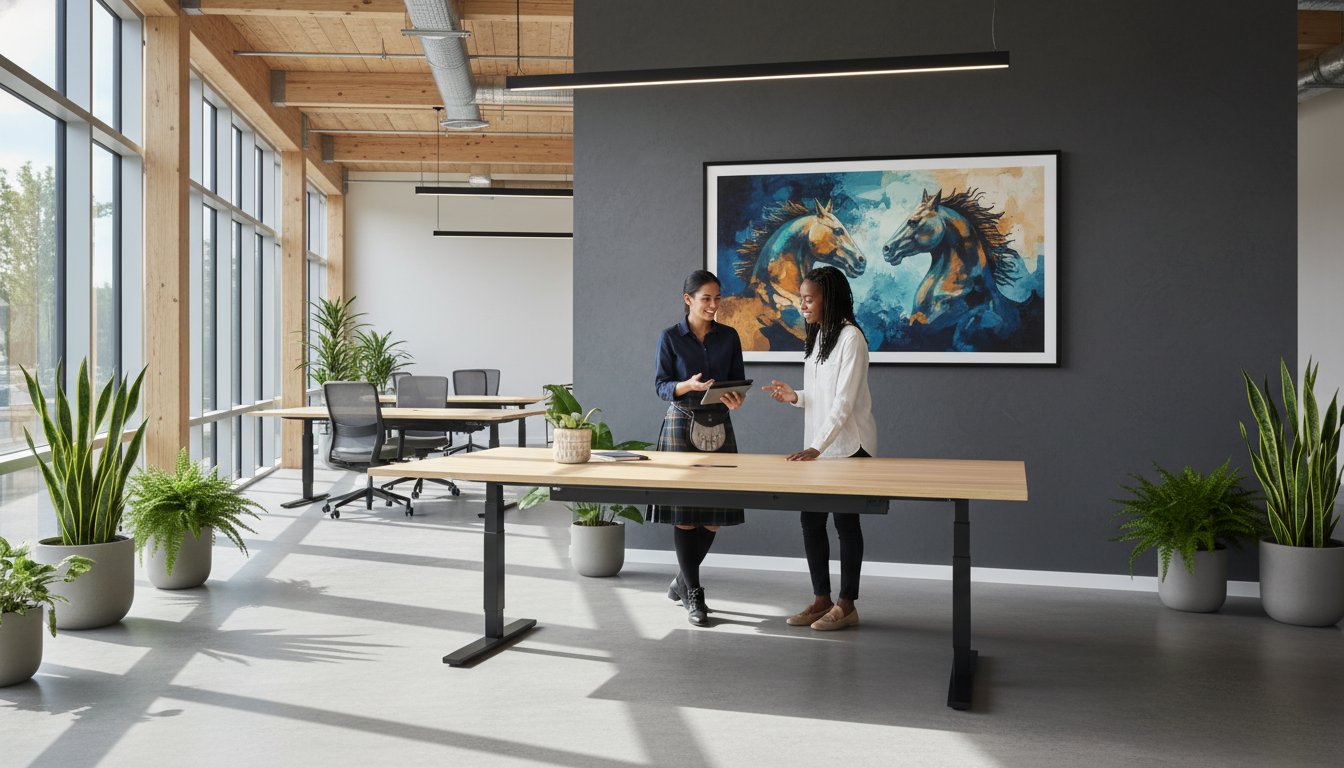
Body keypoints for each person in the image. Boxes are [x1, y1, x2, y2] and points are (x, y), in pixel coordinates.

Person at [762, 265, 877, 631]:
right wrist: (795, 396)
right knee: (810, 519)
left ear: (830, 298)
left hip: (850, 446)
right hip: (821, 446)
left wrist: (814, 448)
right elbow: (822, 397)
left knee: (846, 522)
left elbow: (844, 402)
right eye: (801, 299)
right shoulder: (818, 338)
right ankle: (821, 599)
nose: (803, 306)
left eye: (809, 299)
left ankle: (847, 604)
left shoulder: (851, 339)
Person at [651, 269, 746, 627]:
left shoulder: (730, 337)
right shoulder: (670, 338)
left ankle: (681, 579)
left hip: (720, 421)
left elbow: (736, 380)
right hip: (681, 422)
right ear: (688, 299)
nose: (713, 305)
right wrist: (685, 385)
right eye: (706, 298)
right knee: (685, 514)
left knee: (714, 516)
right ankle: (694, 594)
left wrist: (736, 398)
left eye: (718, 298)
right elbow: (660, 385)